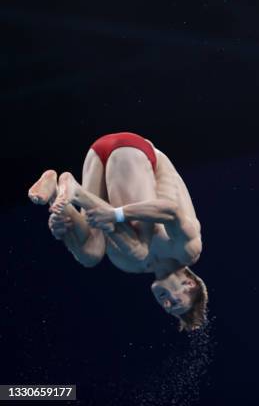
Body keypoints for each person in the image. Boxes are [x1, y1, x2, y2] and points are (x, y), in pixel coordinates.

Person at [28, 132, 207, 331]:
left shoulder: (129, 265)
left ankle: (56, 193)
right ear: (189, 285)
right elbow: (170, 210)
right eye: (176, 303)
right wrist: (117, 215)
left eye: (167, 309)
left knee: (91, 254)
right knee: (141, 248)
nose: (165, 304)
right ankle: (76, 193)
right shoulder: (187, 251)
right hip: (132, 152)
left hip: (96, 156)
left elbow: (95, 221)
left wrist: (61, 225)